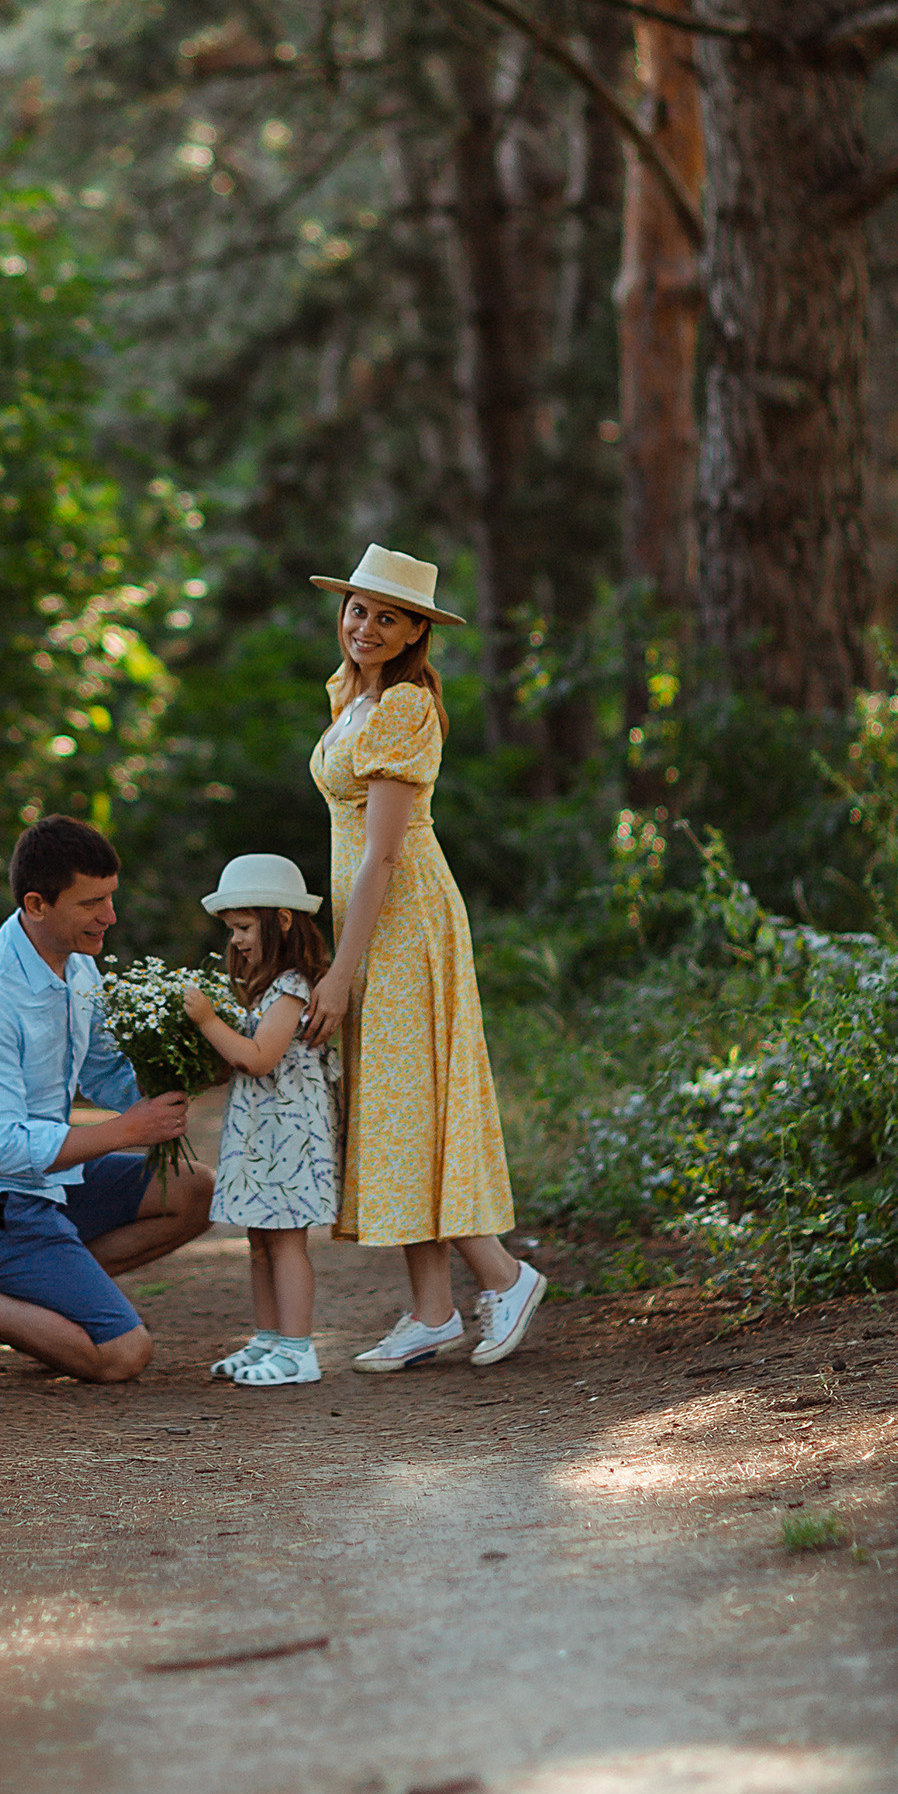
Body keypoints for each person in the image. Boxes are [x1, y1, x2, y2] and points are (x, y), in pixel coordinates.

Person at [302, 544, 546, 1374]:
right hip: (367, 922)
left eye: (386, 617)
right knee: (390, 1106)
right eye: (358, 609)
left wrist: (342, 969)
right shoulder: (349, 696)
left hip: (403, 923)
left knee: (416, 1100)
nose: (365, 626)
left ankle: (505, 1276)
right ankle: (433, 1310)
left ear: (414, 634)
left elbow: (383, 856)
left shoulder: (405, 708)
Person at [0, 815, 214, 1386]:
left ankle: (45, 1310)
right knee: (122, 1355)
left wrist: (200, 1068)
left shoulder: (77, 964)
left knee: (197, 1190)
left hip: (45, 1187)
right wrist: (129, 1131)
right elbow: (2, 1151)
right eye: (91, 903)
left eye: (111, 897)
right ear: (37, 904)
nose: (110, 916)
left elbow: (105, 1071)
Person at [184, 854, 338, 1390]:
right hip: (263, 1138)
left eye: (246, 927)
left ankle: (299, 1350)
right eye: (233, 930)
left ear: (284, 920)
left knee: (287, 1242)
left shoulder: (292, 986)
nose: (239, 940)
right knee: (261, 1240)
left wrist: (205, 1019)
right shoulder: (264, 988)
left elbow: (258, 1057)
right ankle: (269, 1337)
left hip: (289, 1138)